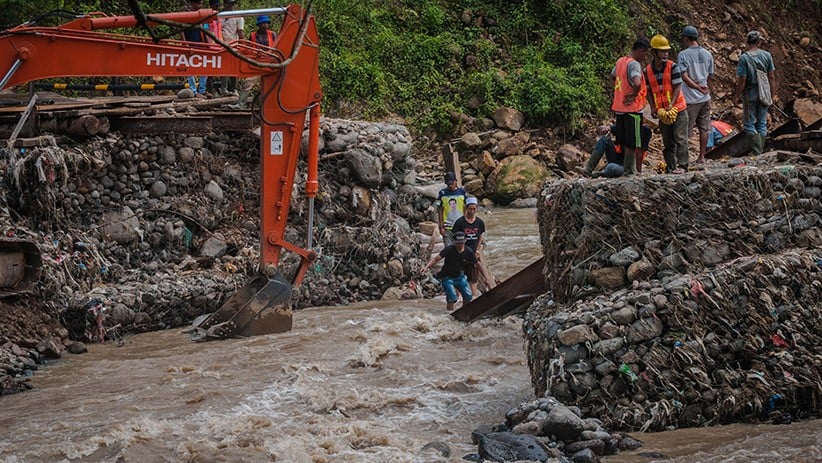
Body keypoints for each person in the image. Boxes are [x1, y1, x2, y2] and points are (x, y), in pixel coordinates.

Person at [645, 34, 689, 173]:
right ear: (654, 52)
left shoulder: (673, 67)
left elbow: (677, 87)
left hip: (678, 108)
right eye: (662, 51)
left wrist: (672, 104)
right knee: (667, 140)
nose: (665, 54)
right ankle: (671, 166)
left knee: (680, 137)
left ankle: (683, 165)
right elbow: (648, 91)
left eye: (666, 51)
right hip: (662, 111)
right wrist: (653, 107)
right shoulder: (647, 71)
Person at [610, 38, 649, 176]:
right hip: (632, 109)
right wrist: (633, 94)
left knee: (625, 141)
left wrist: (619, 92)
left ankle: (628, 169)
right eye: (645, 53)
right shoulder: (634, 64)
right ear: (640, 51)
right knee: (633, 142)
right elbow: (637, 82)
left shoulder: (620, 61)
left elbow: (613, 76)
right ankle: (630, 171)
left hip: (619, 108)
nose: (645, 57)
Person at [734, 30, 776, 156]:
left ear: (748, 42)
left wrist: (736, 95)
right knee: (762, 122)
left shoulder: (744, 58)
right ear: (759, 42)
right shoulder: (767, 56)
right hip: (764, 92)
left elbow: (742, 79)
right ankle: (760, 150)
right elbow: (771, 77)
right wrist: (772, 94)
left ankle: (757, 152)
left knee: (749, 123)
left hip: (750, 93)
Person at [678, 25, 715, 165]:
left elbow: (684, 77)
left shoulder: (683, 55)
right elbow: (711, 76)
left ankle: (684, 159)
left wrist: (697, 88)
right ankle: (701, 157)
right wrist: (707, 90)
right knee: (704, 128)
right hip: (705, 98)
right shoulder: (707, 54)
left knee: (685, 130)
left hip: (689, 98)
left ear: (686, 38)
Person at [420, 231, 477, 311]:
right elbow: (437, 258)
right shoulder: (449, 249)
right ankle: (450, 313)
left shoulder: (469, 251)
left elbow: (476, 264)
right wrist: (426, 267)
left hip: (460, 276)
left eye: (461, 243)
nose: (460, 245)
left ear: (465, 242)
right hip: (447, 277)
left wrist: (485, 277)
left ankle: (465, 311)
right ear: (454, 242)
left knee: (468, 295)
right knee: (452, 297)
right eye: (458, 243)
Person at [230, 16, 277, 109]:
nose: (265, 25)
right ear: (259, 25)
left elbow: (278, 49)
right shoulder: (253, 36)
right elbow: (249, 49)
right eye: (263, 23)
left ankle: (271, 106)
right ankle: (241, 104)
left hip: (270, 64)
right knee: (247, 83)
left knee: (271, 86)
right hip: (256, 64)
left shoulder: (272, 34)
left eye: (266, 23)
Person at [451, 196, 495, 295]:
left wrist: (477, 250)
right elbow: (455, 238)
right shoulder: (459, 223)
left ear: (477, 209)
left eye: (474, 209)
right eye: (470, 209)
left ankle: (474, 296)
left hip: (473, 251)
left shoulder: (479, 223)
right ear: (466, 208)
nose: (472, 211)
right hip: (462, 252)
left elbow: (480, 237)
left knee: (473, 278)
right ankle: (459, 296)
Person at [182, 0, 209, 98]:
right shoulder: (187, 15)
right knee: (190, 69)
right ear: (193, 3)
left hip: (200, 44)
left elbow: (205, 30)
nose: (200, 5)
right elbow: (181, 31)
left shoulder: (201, 15)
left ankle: (202, 90)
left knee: (204, 68)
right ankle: (193, 91)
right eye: (198, 3)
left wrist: (208, 44)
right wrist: (186, 45)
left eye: (201, 3)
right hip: (190, 43)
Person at [220, 0, 245, 96]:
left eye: (232, 4)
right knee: (223, 69)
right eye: (229, 3)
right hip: (221, 45)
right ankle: (224, 89)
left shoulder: (238, 17)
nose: (231, 6)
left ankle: (234, 89)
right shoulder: (220, 16)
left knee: (234, 68)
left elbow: (240, 32)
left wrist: (243, 46)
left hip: (234, 46)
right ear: (225, 4)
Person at [435, 171, 466, 247]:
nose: (450, 185)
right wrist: (441, 227)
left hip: (460, 226)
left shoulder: (462, 192)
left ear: (455, 181)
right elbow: (440, 211)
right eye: (448, 184)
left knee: (460, 248)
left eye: (451, 183)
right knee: (448, 249)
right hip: (447, 227)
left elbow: (466, 209)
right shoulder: (442, 193)